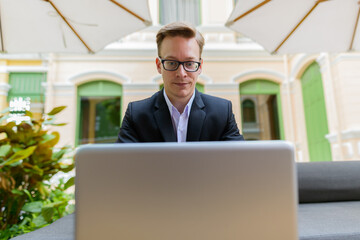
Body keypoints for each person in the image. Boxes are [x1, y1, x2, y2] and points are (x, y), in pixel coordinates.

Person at [117, 22, 244, 143]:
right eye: (172, 63)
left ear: (199, 66)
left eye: (189, 63)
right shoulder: (136, 115)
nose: (181, 73)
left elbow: (240, 160)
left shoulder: (222, 112)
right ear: (159, 66)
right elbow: (121, 163)